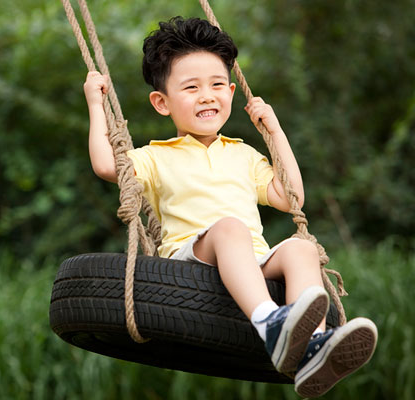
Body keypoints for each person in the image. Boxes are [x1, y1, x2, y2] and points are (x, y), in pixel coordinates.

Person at [83, 16, 377, 397]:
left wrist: (273, 130)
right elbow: (108, 165)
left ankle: (313, 346)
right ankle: (271, 323)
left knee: (301, 248)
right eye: (191, 87)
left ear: (232, 91)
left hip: (251, 259)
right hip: (191, 259)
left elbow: (291, 197)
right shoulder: (155, 157)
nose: (207, 95)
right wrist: (95, 103)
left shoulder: (243, 153)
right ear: (161, 102)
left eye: (217, 85)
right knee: (229, 227)